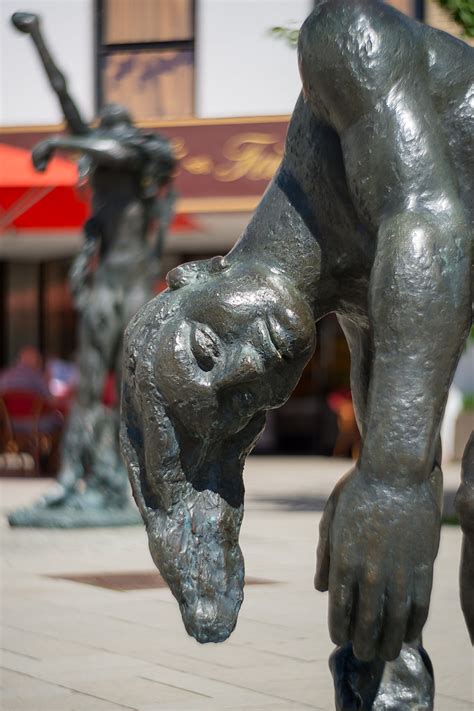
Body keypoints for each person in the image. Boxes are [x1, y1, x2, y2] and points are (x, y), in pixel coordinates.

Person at [121, 1, 473, 707]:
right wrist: (381, 654)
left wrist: (394, 475)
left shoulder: (341, 44)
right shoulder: (364, 306)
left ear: (195, 273)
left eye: (207, 347)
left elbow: (427, 222)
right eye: (241, 406)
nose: (250, 372)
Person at [8, 12, 176, 524]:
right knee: (87, 386)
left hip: (135, 287)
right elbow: (64, 96)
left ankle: (140, 480)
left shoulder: (143, 153)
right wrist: (37, 36)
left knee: (135, 386)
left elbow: (118, 146)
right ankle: (69, 479)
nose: (105, 134)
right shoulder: (102, 157)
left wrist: (58, 146)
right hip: (106, 286)